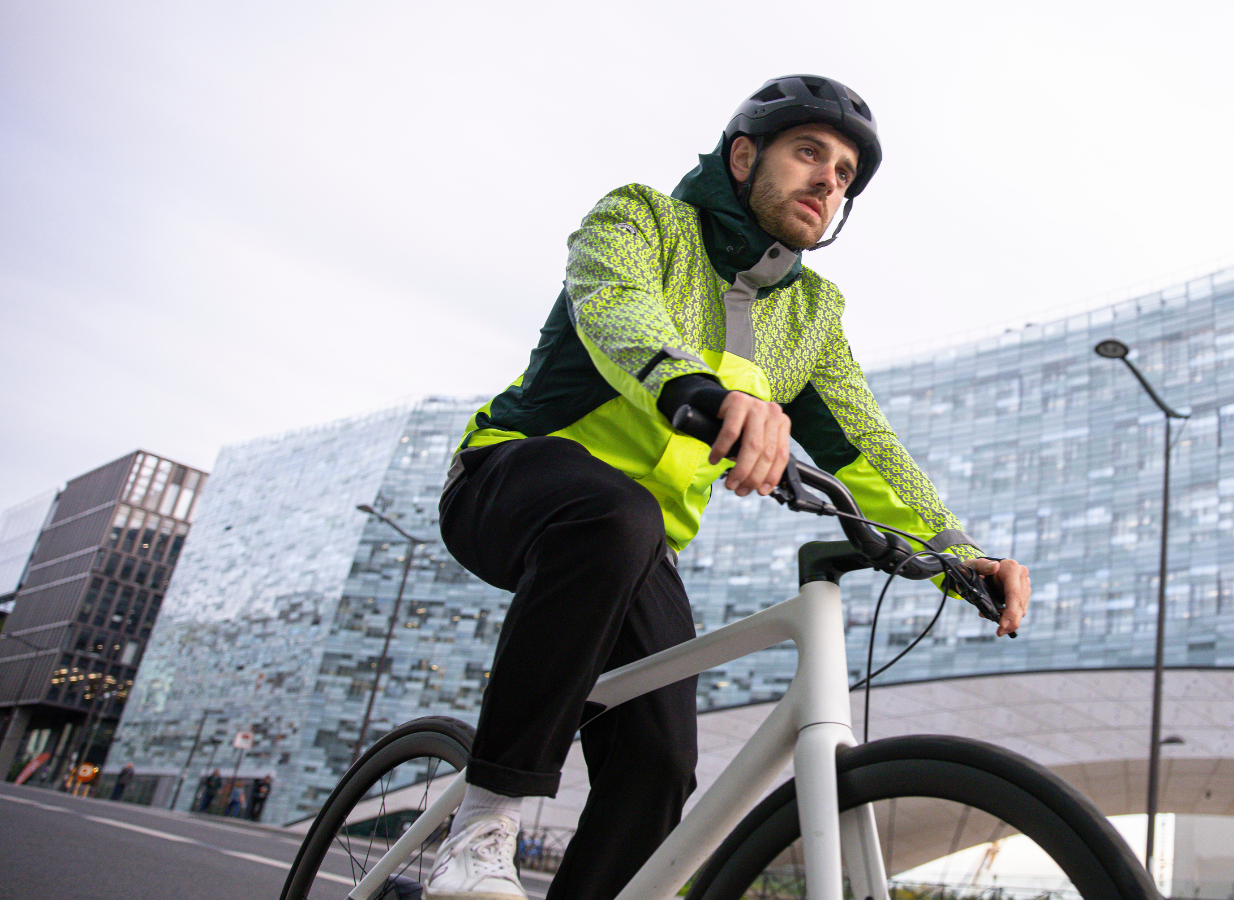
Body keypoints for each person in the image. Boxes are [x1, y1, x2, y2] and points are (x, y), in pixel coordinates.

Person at [427, 75, 1031, 900]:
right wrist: (702, 393)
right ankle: (481, 829)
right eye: (810, 153)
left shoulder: (812, 314)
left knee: (660, 764)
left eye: (846, 173)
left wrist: (961, 553)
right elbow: (616, 309)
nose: (829, 180)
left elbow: (866, 447)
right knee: (614, 513)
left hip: (640, 550)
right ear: (744, 156)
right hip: (513, 479)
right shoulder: (643, 220)